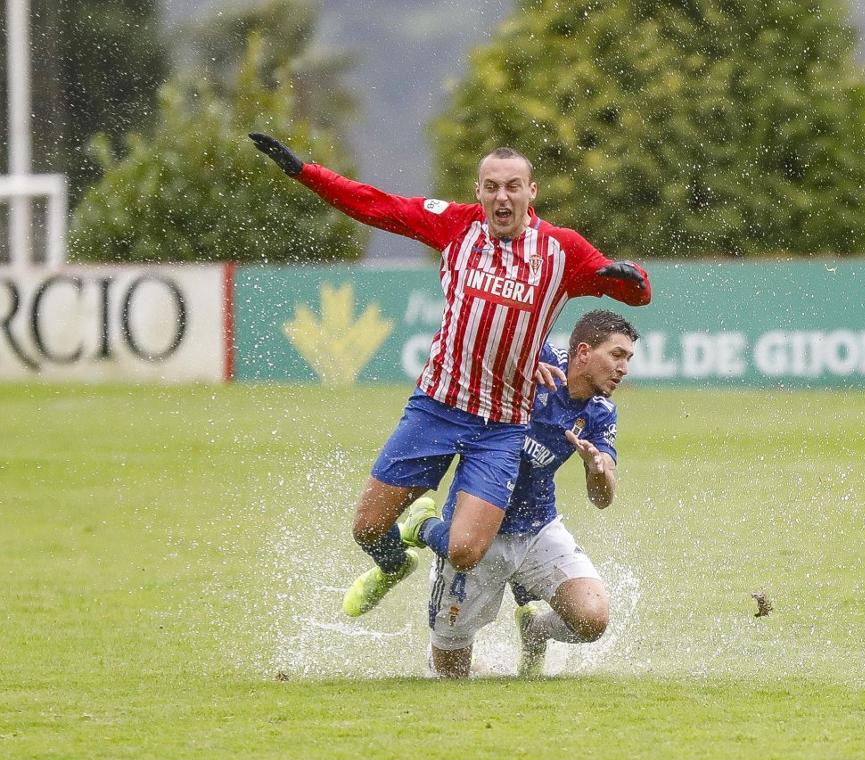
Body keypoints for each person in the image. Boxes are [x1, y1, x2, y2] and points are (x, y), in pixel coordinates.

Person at [249, 135, 651, 617]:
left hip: (502, 425)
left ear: (531, 192)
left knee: (465, 551)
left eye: (513, 187)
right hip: (438, 405)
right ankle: (395, 564)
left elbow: (635, 295)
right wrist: (305, 173)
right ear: (478, 192)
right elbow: (377, 206)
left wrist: (634, 276)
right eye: (491, 187)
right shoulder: (456, 226)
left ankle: (421, 527)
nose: (502, 197)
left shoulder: (562, 250)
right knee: (367, 531)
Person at [399, 310, 638, 678]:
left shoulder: (601, 412)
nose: (623, 368)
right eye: (617, 355)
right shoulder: (535, 358)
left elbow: (603, 498)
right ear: (584, 352)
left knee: (593, 620)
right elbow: (477, 340)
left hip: (537, 527)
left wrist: (597, 470)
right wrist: (515, 369)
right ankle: (427, 526)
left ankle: (536, 630)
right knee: (450, 674)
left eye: (628, 359)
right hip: (477, 528)